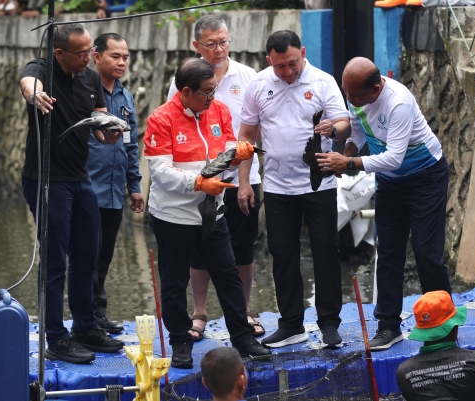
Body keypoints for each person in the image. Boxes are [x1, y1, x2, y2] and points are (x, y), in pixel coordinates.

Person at [317, 57, 450, 350]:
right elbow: (358, 128)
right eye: (346, 93)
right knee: (388, 252)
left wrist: (349, 162)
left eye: (355, 96)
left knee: (427, 253)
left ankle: (442, 323)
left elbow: (394, 158)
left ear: (376, 89)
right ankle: (388, 326)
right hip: (390, 182)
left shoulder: (397, 102)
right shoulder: (356, 94)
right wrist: (347, 150)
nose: (349, 100)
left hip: (425, 177)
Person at [145, 57, 270, 369]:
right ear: (186, 91)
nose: (213, 98)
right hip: (173, 215)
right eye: (207, 93)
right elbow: (161, 172)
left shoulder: (220, 111)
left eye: (215, 91)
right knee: (173, 280)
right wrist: (200, 183)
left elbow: (227, 149)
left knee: (227, 273)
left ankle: (242, 337)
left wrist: (236, 156)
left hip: (213, 212)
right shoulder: (160, 119)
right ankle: (180, 341)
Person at [19, 23, 125, 364]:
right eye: (80, 54)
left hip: (80, 179)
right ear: (60, 52)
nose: (86, 59)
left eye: (88, 52)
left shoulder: (91, 78)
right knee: (54, 261)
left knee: (87, 254)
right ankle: (56, 336)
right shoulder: (41, 70)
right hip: (47, 180)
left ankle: (85, 326)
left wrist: (109, 131)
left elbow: (97, 121)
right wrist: (34, 94)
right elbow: (27, 82)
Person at [237, 30, 350, 349]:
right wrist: (244, 181)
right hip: (276, 186)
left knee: (326, 251)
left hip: (319, 183)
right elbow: (246, 137)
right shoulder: (258, 85)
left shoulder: (323, 81)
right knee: (282, 254)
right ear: (268, 60)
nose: (287, 72)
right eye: (279, 66)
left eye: (292, 64)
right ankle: (291, 323)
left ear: (302, 52)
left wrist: (334, 127)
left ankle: (329, 321)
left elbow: (345, 123)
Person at [166, 14, 264, 341]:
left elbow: (253, 132)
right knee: (198, 250)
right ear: (197, 46)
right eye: (211, 44)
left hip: (241, 176)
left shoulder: (248, 77)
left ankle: (245, 311)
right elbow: (173, 123)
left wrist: (245, 179)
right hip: (200, 181)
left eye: (224, 41)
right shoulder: (183, 79)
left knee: (243, 246)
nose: (219, 49)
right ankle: (199, 312)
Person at [88, 32, 143, 335]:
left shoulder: (125, 97)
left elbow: (130, 144)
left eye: (125, 57)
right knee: (85, 257)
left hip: (113, 192)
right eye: (115, 56)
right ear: (96, 56)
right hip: (85, 190)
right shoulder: (83, 92)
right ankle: (85, 321)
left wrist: (134, 185)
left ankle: (97, 315)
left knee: (103, 257)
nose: (122, 62)